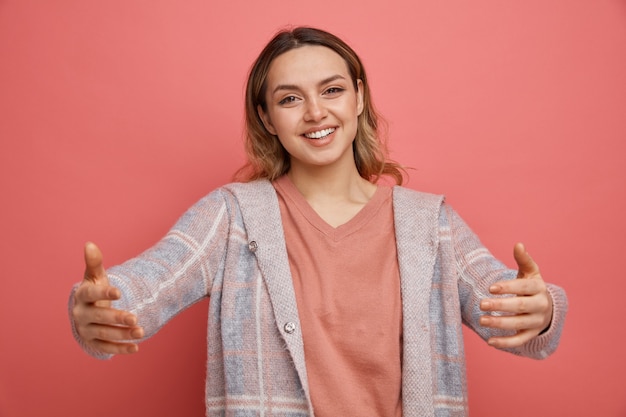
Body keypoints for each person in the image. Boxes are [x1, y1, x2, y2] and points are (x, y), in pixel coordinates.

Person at [69, 26, 567, 417]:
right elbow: (145, 287)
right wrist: (97, 309)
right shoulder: (232, 216)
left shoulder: (429, 224)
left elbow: (508, 310)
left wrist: (541, 308)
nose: (314, 112)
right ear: (266, 117)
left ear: (357, 96)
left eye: (331, 90)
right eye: (289, 99)